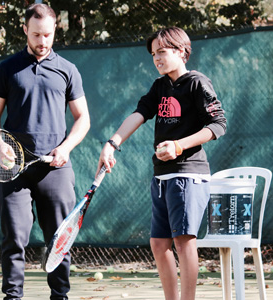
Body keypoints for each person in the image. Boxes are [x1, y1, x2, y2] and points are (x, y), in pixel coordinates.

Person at [96, 27, 226, 300]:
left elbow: (218, 125)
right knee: (158, 244)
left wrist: (179, 145)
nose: (157, 58)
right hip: (162, 177)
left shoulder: (197, 83)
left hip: (189, 175)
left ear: (181, 51)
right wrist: (112, 143)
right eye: (154, 54)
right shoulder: (160, 86)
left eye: (162, 52)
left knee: (183, 240)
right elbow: (139, 114)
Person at [0, 4, 90, 300]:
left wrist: (66, 148)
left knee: (59, 241)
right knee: (14, 238)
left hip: (55, 169)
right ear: (25, 31)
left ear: (55, 30)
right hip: (13, 168)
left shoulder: (68, 70)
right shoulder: (7, 68)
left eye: (47, 34)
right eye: (36, 34)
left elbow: (83, 118)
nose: (42, 41)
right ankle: (12, 297)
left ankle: (60, 296)